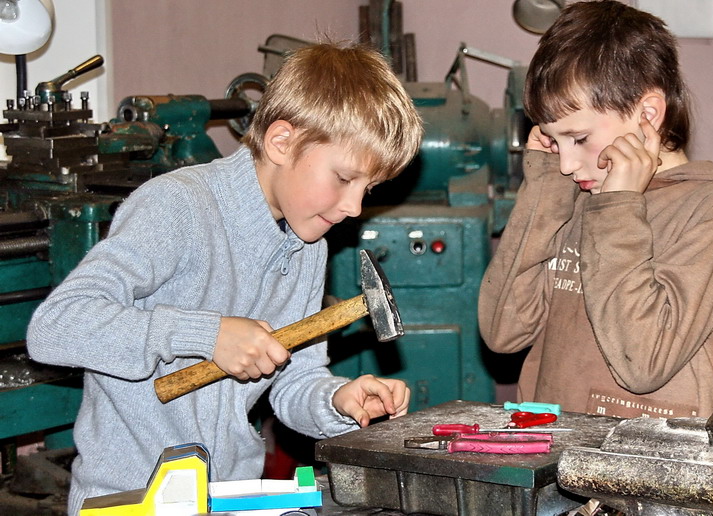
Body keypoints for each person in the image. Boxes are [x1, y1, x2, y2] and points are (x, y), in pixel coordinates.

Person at [27, 41, 424, 515]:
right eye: (344, 178)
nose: (354, 207)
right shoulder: (178, 207)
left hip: (231, 499)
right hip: (130, 500)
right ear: (281, 142)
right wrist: (207, 334)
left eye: (369, 188)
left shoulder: (307, 244)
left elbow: (293, 379)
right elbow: (55, 328)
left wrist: (337, 400)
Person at [479, 0, 713, 420]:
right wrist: (543, 193)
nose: (567, 164)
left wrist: (617, 206)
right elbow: (504, 333)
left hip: (651, 472)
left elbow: (643, 362)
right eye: (555, 141)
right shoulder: (573, 190)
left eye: (579, 138)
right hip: (555, 455)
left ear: (647, 113)